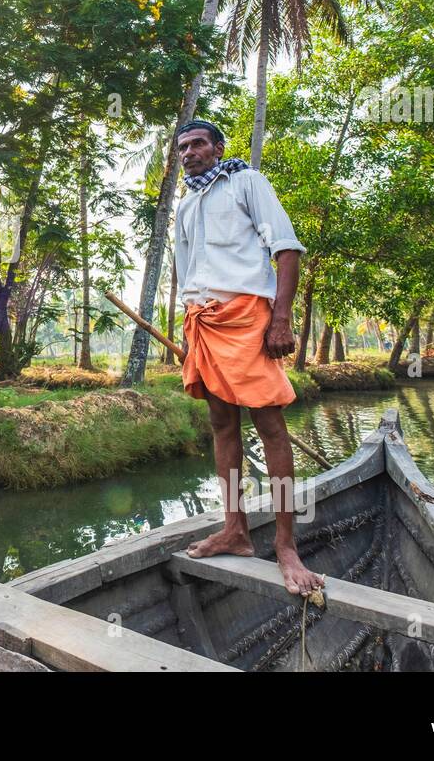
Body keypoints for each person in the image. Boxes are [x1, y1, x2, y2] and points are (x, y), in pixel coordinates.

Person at [172, 119, 324, 596]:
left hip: (247, 317)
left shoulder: (247, 182)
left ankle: (284, 545)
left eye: (198, 144)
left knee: (271, 426)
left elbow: (286, 249)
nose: (189, 152)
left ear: (218, 148)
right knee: (222, 425)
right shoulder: (185, 204)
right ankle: (235, 530)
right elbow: (186, 271)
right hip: (202, 321)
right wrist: (188, 321)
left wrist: (281, 319)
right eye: (182, 147)